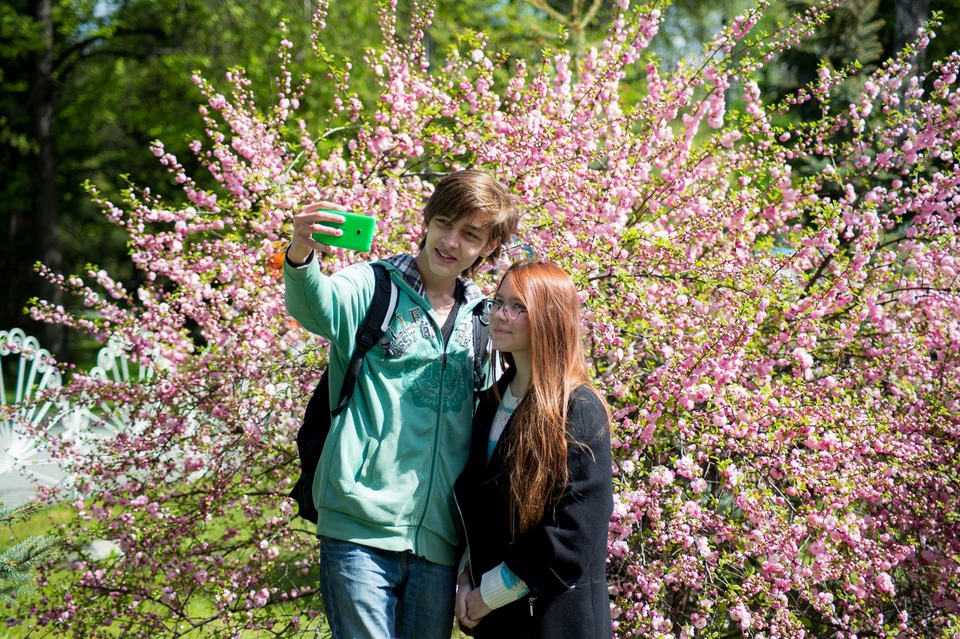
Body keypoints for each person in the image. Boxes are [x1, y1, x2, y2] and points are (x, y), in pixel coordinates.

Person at [284, 170, 520, 639]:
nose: (450, 242)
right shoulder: (374, 286)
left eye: (470, 234)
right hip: (359, 527)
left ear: (488, 247)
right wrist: (300, 252)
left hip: (438, 543)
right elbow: (316, 305)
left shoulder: (482, 321)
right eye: (444, 223)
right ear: (427, 220)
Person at [453, 260, 613, 639]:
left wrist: (487, 594)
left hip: (556, 621)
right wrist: (466, 577)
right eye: (498, 302)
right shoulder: (493, 401)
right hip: (499, 622)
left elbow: (573, 532)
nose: (500, 315)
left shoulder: (578, 408)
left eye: (518, 307)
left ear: (549, 318)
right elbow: (478, 504)